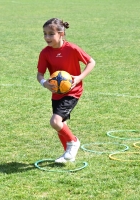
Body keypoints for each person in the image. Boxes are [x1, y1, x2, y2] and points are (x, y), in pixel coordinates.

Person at [36, 18, 95, 163]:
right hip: (56, 93)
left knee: (55, 122)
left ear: (61, 34)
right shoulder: (45, 53)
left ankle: (74, 142)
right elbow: (40, 75)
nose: (47, 37)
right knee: (61, 124)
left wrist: (79, 78)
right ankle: (68, 156)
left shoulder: (72, 49)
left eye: (51, 34)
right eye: (45, 34)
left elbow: (91, 62)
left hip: (72, 92)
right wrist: (44, 83)